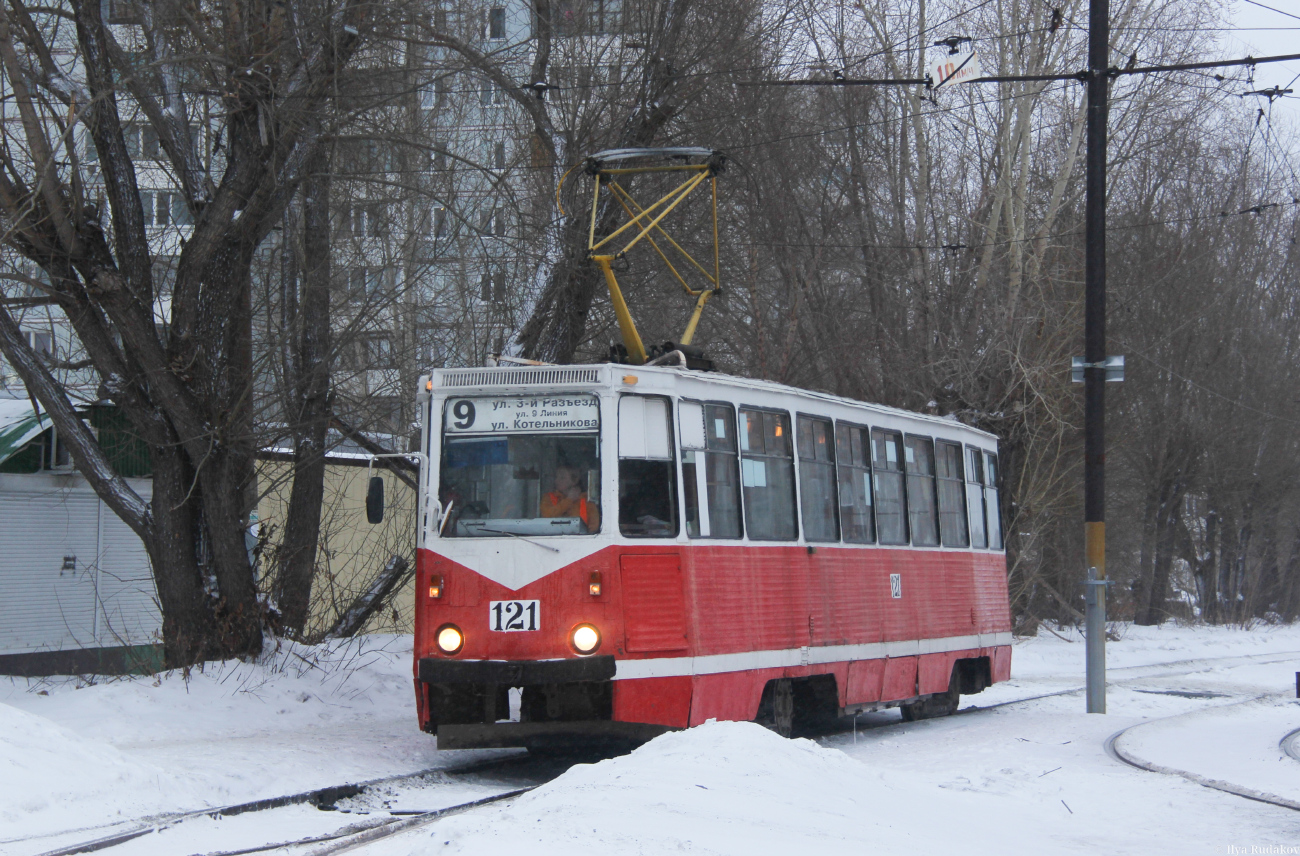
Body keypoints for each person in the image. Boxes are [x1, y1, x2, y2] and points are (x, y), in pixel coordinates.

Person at [540, 464, 600, 531]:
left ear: (574, 480)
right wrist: (569, 500)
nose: (557, 480)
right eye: (556, 477)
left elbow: (594, 526)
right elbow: (547, 516)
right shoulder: (548, 498)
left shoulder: (587, 501)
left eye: (562, 477)